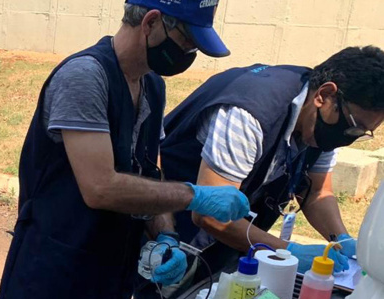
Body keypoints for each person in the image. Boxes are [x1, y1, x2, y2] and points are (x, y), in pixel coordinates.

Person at [0, 0, 250, 299]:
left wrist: (167, 234)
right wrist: (195, 194)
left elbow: (144, 171)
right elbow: (102, 187)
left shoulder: (150, 85)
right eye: (186, 41)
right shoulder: (84, 78)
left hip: (105, 282)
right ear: (152, 21)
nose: (188, 56)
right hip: (56, 279)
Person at [157, 46, 384, 281]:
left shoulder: (320, 124)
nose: (349, 138)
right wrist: (287, 252)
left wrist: (341, 240)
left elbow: (317, 192)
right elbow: (209, 216)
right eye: (353, 126)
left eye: (362, 133)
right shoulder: (250, 112)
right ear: (324, 96)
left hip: (237, 242)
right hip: (176, 237)